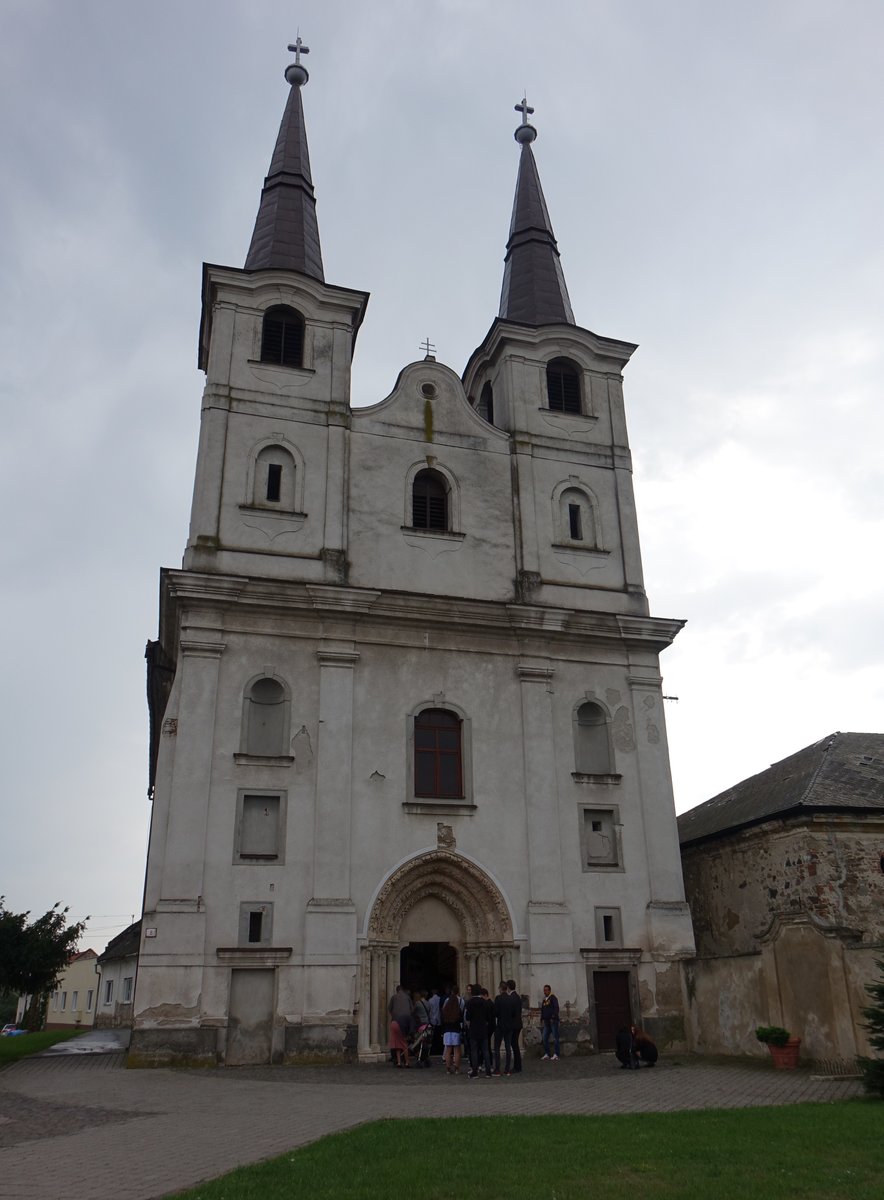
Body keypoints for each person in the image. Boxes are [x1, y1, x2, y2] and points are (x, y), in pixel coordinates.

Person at [464, 984, 493, 1078]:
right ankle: (488, 1072)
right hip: (483, 1029)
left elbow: (467, 1017)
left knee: (474, 1051)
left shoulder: (470, 1002)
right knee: (485, 1051)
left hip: (473, 1029)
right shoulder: (485, 1002)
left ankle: (475, 1072)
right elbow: (488, 1017)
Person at [492, 980, 520, 1075]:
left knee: (497, 1048)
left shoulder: (498, 998)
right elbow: (513, 1013)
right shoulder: (510, 999)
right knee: (508, 1047)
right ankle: (507, 1069)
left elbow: (495, 1013)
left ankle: (497, 1069)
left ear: (500, 988)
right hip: (509, 1026)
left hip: (500, 1026)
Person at [440, 986, 463, 1074]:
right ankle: (457, 1068)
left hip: (447, 1030)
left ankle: (448, 1068)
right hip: (455, 1030)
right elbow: (461, 1019)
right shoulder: (458, 1009)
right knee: (457, 1050)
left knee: (448, 1050)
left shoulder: (445, 1010)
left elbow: (443, 1019)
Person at [540, 984, 560, 1060]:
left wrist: (553, 1017)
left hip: (553, 1021)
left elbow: (556, 1008)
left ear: (549, 990)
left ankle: (556, 1054)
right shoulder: (544, 1000)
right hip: (546, 1022)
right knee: (544, 1038)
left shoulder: (553, 998)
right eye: (544, 990)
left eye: (546, 990)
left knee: (555, 1038)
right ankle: (547, 1054)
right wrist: (541, 1018)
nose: (544, 991)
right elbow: (543, 1010)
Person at [507, 979, 523, 1073]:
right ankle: (518, 1065)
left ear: (508, 987)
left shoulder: (512, 998)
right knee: (515, 1044)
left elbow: (512, 1012)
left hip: (514, 1024)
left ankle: (517, 1066)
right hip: (518, 1023)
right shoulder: (517, 997)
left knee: (514, 1045)